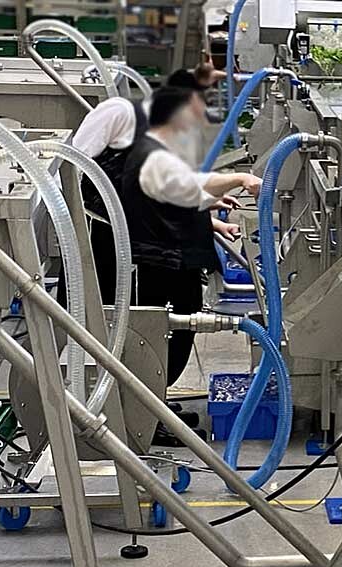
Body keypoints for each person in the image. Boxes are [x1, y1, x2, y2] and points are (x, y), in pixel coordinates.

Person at [120, 86, 261, 388]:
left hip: (176, 260)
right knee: (159, 338)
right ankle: (148, 402)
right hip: (160, 264)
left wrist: (212, 221)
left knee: (177, 333)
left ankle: (155, 398)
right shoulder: (149, 155)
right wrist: (240, 178)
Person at [64, 67, 224, 305]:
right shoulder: (120, 113)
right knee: (108, 308)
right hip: (108, 233)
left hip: (152, 241)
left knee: (172, 312)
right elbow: (71, 164)